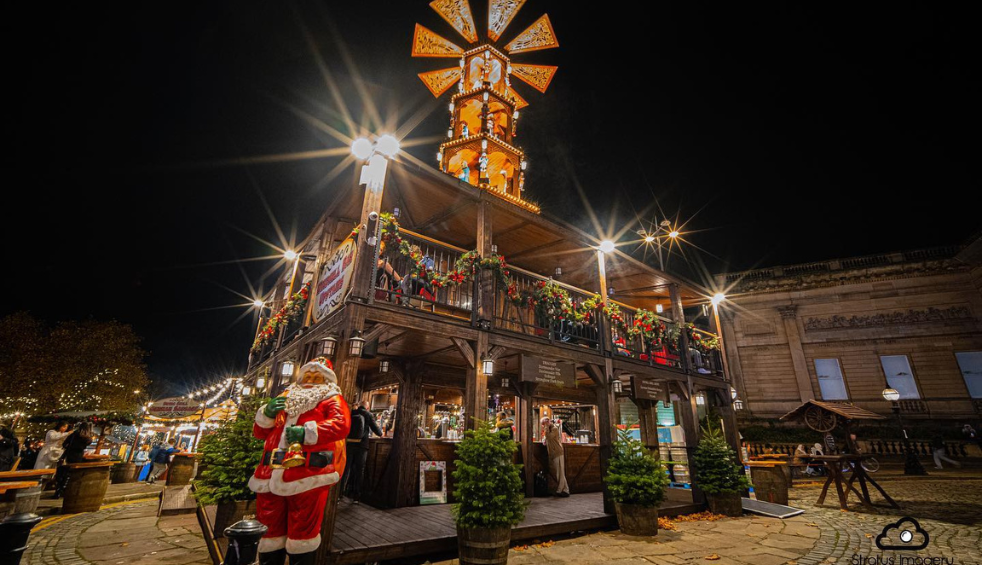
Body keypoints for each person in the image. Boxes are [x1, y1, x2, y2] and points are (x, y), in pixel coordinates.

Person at [249, 357, 351, 564]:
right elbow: (260, 433)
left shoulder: (331, 399)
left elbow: (341, 424)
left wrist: (306, 433)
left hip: (308, 474)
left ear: (326, 380)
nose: (310, 381)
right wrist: (266, 413)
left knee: (303, 532)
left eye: (316, 377)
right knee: (269, 530)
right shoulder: (285, 398)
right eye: (307, 376)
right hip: (269, 472)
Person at [342, 401, 383, 503]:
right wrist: (381, 433)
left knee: (346, 469)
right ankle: (356, 497)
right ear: (368, 407)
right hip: (362, 446)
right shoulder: (368, 414)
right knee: (359, 471)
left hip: (349, 444)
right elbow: (377, 431)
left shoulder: (352, 413)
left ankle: (339, 494)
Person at [54, 422, 93, 497]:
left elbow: (64, 444)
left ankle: (59, 490)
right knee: (74, 473)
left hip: (69, 454)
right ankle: (68, 490)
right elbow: (88, 443)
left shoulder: (74, 434)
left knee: (65, 472)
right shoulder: (86, 437)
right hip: (78, 455)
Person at [541, 417, 569, 497]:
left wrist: (546, 427)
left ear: (548, 422)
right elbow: (548, 439)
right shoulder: (550, 429)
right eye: (543, 424)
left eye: (544, 423)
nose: (543, 426)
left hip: (557, 452)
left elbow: (549, 437)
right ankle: (566, 490)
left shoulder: (554, 428)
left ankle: (560, 490)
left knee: (559, 472)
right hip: (553, 453)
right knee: (559, 473)